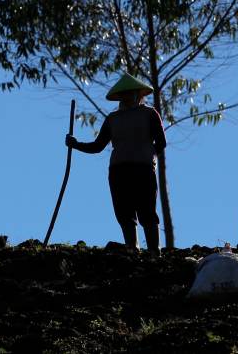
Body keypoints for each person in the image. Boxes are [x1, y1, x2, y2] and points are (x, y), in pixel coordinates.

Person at [66, 72, 167, 255]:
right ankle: (132, 249)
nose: (127, 97)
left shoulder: (149, 113)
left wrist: (148, 155)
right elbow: (97, 146)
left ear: (139, 94)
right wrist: (76, 145)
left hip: (143, 169)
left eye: (131, 93)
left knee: (147, 211)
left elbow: (161, 142)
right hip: (119, 170)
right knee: (124, 212)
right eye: (124, 94)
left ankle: (154, 252)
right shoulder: (113, 118)